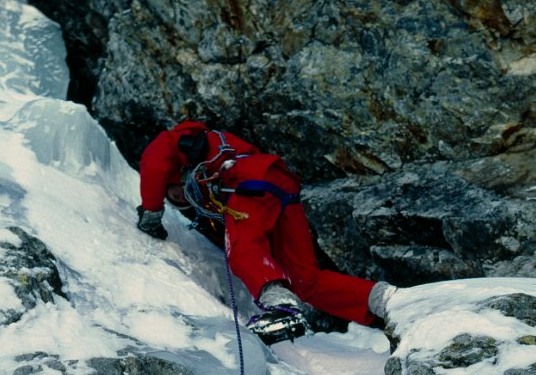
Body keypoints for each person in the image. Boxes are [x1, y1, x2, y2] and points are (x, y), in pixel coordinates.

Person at [136, 119, 394, 343]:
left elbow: (153, 168)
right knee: (305, 281)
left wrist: (151, 214)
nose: (181, 196)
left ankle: (281, 307)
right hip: (278, 183)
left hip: (248, 181)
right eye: (179, 200)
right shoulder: (212, 150)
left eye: (175, 192)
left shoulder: (169, 142)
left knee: (241, 249)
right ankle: (383, 300)